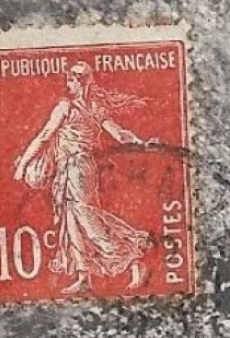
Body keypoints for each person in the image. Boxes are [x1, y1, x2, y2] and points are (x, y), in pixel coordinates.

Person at [13, 63, 155, 295]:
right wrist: (140, 142)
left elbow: (44, 136)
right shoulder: (96, 107)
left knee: (86, 217)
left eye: (70, 81)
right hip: (81, 167)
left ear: (79, 82)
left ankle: (131, 257)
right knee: (73, 220)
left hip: (74, 167)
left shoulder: (65, 106)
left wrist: (23, 164)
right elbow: (120, 134)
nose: (68, 85)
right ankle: (83, 276)